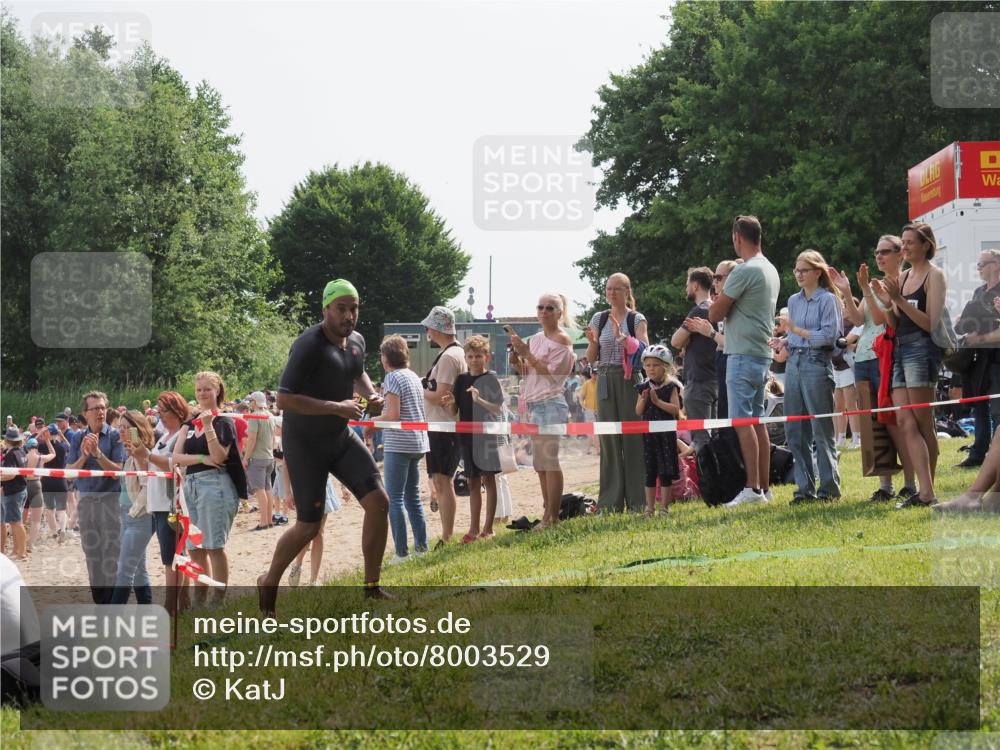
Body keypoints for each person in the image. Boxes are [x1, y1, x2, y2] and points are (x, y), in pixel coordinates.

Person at [259, 279, 389, 616]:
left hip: (339, 437)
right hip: (305, 444)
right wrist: (336, 406)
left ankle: (372, 588)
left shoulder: (356, 341)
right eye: (341, 308)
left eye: (353, 308)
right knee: (309, 526)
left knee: (379, 502)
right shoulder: (308, 345)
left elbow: (357, 372)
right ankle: (269, 581)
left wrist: (371, 394)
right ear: (326, 309)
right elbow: (284, 399)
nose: (348, 315)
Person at [830, 238, 917, 503]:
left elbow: (881, 319)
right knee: (873, 426)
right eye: (876, 251)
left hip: (886, 357)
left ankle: (910, 484)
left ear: (900, 254)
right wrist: (847, 292)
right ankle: (885, 486)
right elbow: (859, 320)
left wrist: (866, 288)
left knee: (895, 422)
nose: (878, 256)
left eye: (884, 251)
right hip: (863, 359)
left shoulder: (903, 282)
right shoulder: (875, 285)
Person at [872, 222, 947, 507]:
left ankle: (928, 491)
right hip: (900, 350)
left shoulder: (934, 275)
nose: (904, 247)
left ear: (926, 245)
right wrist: (887, 302)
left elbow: (931, 323)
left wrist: (898, 300)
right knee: (905, 421)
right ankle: (923, 491)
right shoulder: (902, 277)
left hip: (922, 349)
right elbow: (894, 323)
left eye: (910, 242)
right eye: (902, 242)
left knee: (923, 421)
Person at [709, 216, 779, 506]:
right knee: (757, 421)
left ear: (737, 237)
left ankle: (752, 488)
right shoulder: (770, 268)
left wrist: (722, 297)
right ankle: (763, 487)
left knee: (742, 420)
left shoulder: (743, 270)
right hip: (762, 354)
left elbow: (714, 313)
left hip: (741, 354)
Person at [771, 250, 842, 503]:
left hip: (817, 363)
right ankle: (804, 490)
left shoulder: (828, 300)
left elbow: (829, 337)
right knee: (795, 432)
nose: (799, 275)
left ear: (817, 272)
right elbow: (796, 336)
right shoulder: (794, 300)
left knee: (821, 431)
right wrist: (783, 341)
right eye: (796, 270)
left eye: (804, 270)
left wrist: (797, 331)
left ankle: (829, 490)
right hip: (794, 363)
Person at [172, 372, 243, 606]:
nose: (202, 393)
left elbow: (219, 457)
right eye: (199, 389)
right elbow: (176, 458)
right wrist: (202, 458)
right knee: (195, 548)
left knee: (214, 546)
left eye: (207, 389)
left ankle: (217, 602)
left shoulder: (224, 421)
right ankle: (199, 600)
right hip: (191, 486)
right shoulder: (189, 424)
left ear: (217, 390)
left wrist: (208, 426)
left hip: (215, 485)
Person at [585, 273, 650, 512]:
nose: (612, 293)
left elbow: (645, 351)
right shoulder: (598, 318)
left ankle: (638, 501)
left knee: (633, 439)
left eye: (617, 289)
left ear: (627, 291)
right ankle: (610, 503)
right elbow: (590, 358)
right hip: (604, 378)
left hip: (629, 379)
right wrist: (593, 342)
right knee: (609, 441)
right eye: (608, 289)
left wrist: (624, 339)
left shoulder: (636, 318)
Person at [512, 292, 576, 528]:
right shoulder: (537, 338)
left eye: (550, 308)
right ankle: (548, 512)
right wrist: (516, 359)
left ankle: (553, 516)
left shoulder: (562, 340)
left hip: (550, 402)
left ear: (560, 313)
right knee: (540, 463)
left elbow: (552, 376)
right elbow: (529, 371)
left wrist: (526, 354)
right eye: (541, 307)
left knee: (549, 461)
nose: (544, 312)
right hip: (535, 403)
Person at [374, 334, 431, 562]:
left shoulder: (392, 378)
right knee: (412, 498)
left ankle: (401, 553)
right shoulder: (413, 376)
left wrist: (372, 422)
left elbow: (392, 415)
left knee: (395, 499)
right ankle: (422, 547)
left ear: (385, 357)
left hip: (399, 444)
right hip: (418, 442)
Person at [67, 391, 127, 604]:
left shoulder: (115, 435)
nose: (100, 412)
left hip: (110, 501)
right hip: (87, 502)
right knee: (92, 555)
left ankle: (112, 604)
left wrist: (98, 454)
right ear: (85, 413)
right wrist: (84, 455)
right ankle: (100, 603)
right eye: (95, 408)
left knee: (111, 554)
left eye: (103, 407)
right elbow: (70, 472)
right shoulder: (77, 437)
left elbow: (117, 471)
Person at [129, 391, 188, 612]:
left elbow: (174, 466)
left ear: (177, 411)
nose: (160, 414)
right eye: (159, 410)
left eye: (164, 410)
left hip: (172, 503)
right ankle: (180, 604)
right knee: (172, 557)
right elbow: (152, 468)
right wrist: (139, 455)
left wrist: (147, 455)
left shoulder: (181, 435)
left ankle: (171, 606)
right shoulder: (164, 437)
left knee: (172, 559)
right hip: (160, 503)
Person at [443, 335, 504, 543]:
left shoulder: (491, 379)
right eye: (470, 356)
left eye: (478, 356)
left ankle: (488, 528)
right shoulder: (461, 380)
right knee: (472, 483)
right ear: (466, 358)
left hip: (486, 437)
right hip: (467, 438)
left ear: (486, 357)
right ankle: (473, 529)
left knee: (489, 480)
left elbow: (498, 409)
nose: (474, 360)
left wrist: (480, 400)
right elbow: (454, 411)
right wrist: (451, 402)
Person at [420, 305, 467, 545]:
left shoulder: (449, 357)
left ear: (436, 329)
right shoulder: (453, 353)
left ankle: (447, 536)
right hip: (444, 425)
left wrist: (419, 388)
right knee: (441, 480)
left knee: (442, 481)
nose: (427, 331)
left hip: (443, 426)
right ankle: (446, 535)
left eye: (429, 327)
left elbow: (441, 395)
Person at [954, 248, 1000, 468]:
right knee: (979, 405)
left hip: (997, 358)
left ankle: (995, 456)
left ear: (996, 265)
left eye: (982, 264)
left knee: (997, 409)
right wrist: (963, 323)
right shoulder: (978, 292)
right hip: (979, 358)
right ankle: (978, 454)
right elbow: (969, 323)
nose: (978, 268)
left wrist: (980, 337)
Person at [111, 411, 156, 605]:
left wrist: (133, 511)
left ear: (136, 430)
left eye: (126, 428)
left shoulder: (139, 453)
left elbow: (148, 486)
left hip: (139, 516)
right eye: (119, 427)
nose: (121, 431)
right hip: (128, 514)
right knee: (137, 570)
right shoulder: (131, 453)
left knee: (125, 570)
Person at [672, 267, 718, 452]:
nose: (686, 288)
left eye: (687, 284)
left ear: (695, 285)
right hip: (717, 379)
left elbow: (675, 341)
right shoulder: (717, 309)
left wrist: (686, 340)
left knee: (700, 439)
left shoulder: (699, 310)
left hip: (699, 381)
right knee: (716, 436)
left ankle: (705, 471)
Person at [634, 345, 681, 517]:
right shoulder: (643, 387)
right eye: (648, 365)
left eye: (655, 365)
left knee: (665, 472)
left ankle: (664, 508)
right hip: (649, 437)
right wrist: (644, 399)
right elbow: (638, 411)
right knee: (650, 472)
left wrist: (658, 402)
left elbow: (675, 409)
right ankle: (649, 508)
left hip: (666, 437)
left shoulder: (671, 386)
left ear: (665, 366)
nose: (651, 369)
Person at [242, 391, 276, 532]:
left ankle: (263, 522)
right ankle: (269, 520)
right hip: (269, 457)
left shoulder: (254, 416)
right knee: (267, 489)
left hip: (258, 458)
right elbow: (273, 438)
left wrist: (246, 458)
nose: (250, 403)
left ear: (254, 402)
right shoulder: (270, 415)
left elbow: (252, 439)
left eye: (251, 401)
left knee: (260, 490)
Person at [37, 426, 69, 544]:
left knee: (50, 509)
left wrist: (39, 434)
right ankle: (63, 529)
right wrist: (63, 436)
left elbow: (27, 445)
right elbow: (71, 447)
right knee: (62, 509)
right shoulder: (63, 447)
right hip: (61, 480)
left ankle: (54, 531)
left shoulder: (43, 446)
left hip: (47, 480)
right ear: (57, 434)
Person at [22, 436, 54, 553]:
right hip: (36, 485)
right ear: (37, 447)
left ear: (27, 447)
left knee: (20, 520)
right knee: (36, 520)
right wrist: (48, 441)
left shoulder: (23, 457)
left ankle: (20, 544)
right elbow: (53, 454)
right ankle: (31, 545)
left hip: (24, 485)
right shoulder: (41, 458)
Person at [1, 429, 28, 561]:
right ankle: (17, 550)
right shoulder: (21, 451)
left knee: (16, 523)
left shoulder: (11, 454)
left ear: (7, 440)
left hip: (13, 491)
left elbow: (11, 474)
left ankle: (22, 552)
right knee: (15, 522)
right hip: (20, 489)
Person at [578, 367, 599, 455]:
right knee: (592, 431)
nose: (595, 375)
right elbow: (581, 397)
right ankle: (596, 450)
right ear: (591, 374)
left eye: (597, 374)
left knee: (595, 431)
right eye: (594, 374)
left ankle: (589, 449)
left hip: (599, 410)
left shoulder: (600, 383)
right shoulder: (587, 383)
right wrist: (584, 407)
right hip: (589, 410)